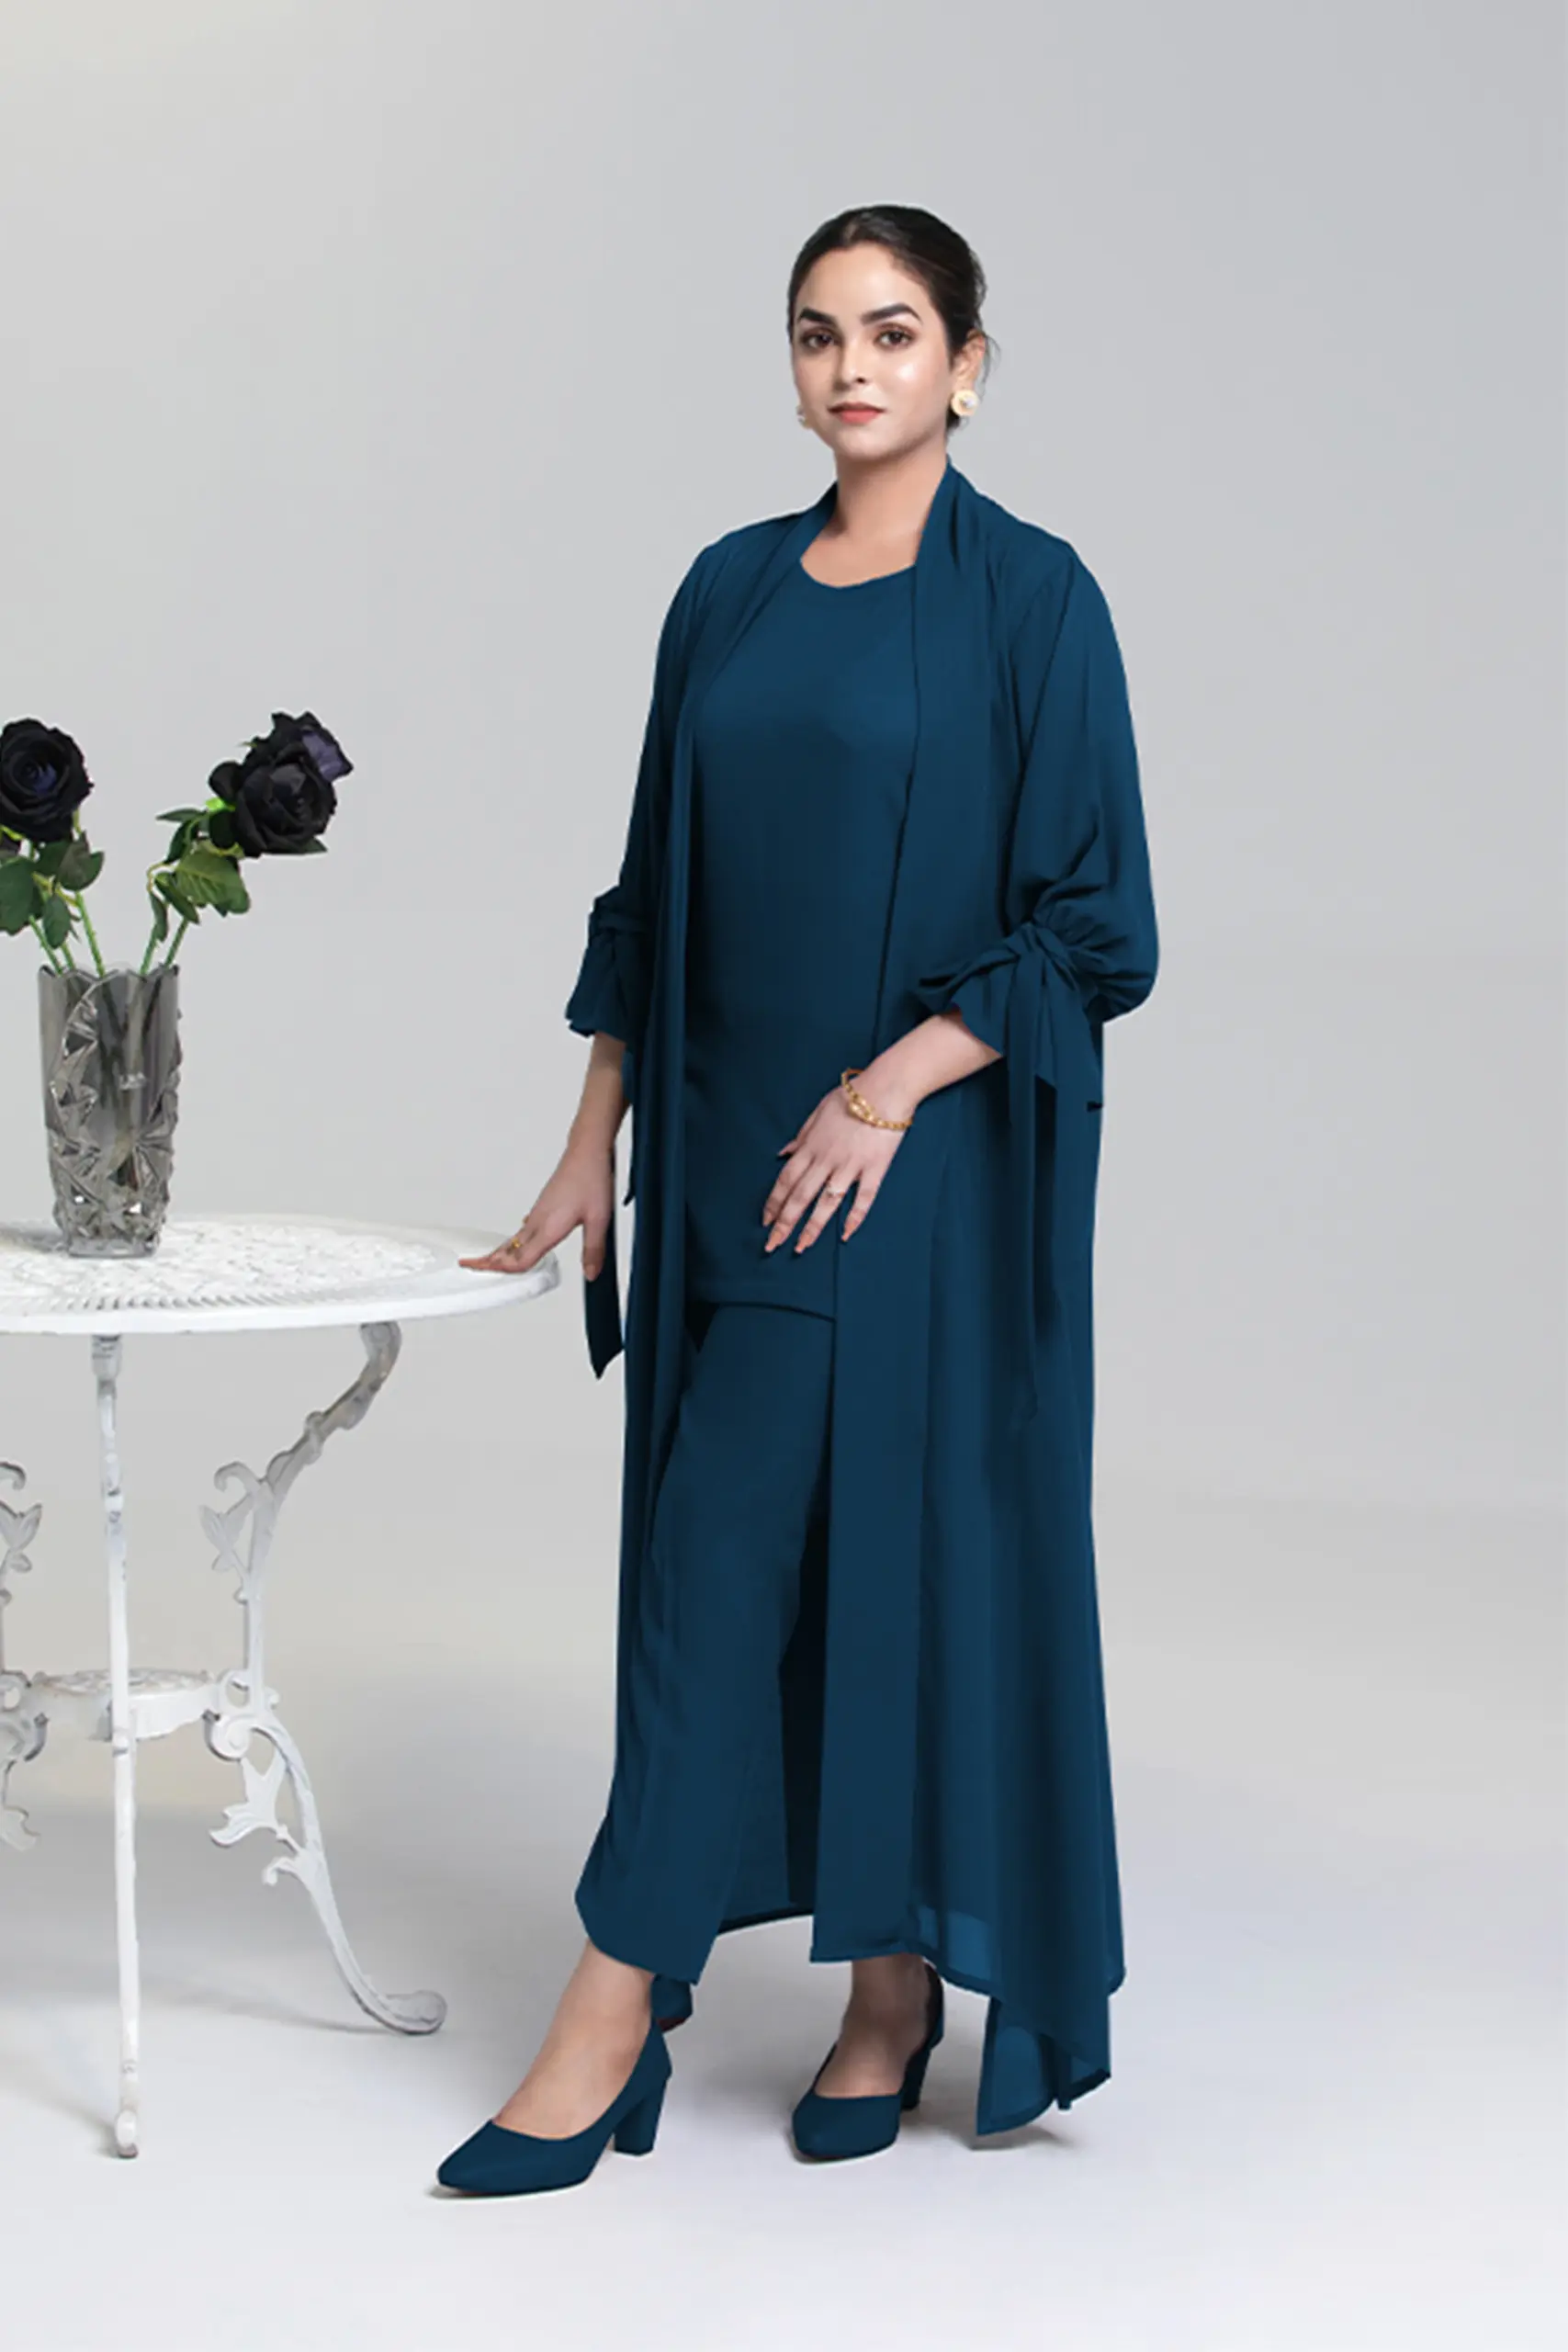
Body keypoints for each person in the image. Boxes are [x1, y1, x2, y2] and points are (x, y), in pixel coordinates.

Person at [438, 203, 1159, 2196]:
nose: (855, 366)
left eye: (896, 331)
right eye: (822, 332)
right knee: (772, 1555)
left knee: (773, 1554)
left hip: (901, 1166)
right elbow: (650, 889)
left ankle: (633, 2008)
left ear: (966, 367)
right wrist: (593, 1138)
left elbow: (1095, 923)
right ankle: (871, 1982)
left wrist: (884, 1090)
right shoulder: (727, 590)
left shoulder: (1034, 600)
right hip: (723, 1147)